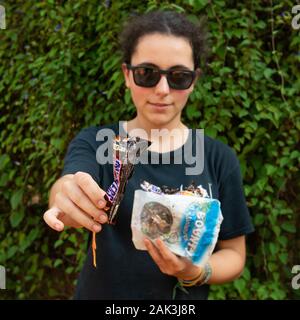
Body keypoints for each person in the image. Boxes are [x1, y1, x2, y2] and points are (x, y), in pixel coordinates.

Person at [43, 10, 254, 300]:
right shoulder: (99, 143)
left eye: (179, 77)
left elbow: (233, 253)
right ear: (127, 75)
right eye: (147, 74)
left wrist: (194, 272)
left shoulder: (219, 158)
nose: (162, 90)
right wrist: (66, 195)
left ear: (194, 81)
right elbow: (70, 184)